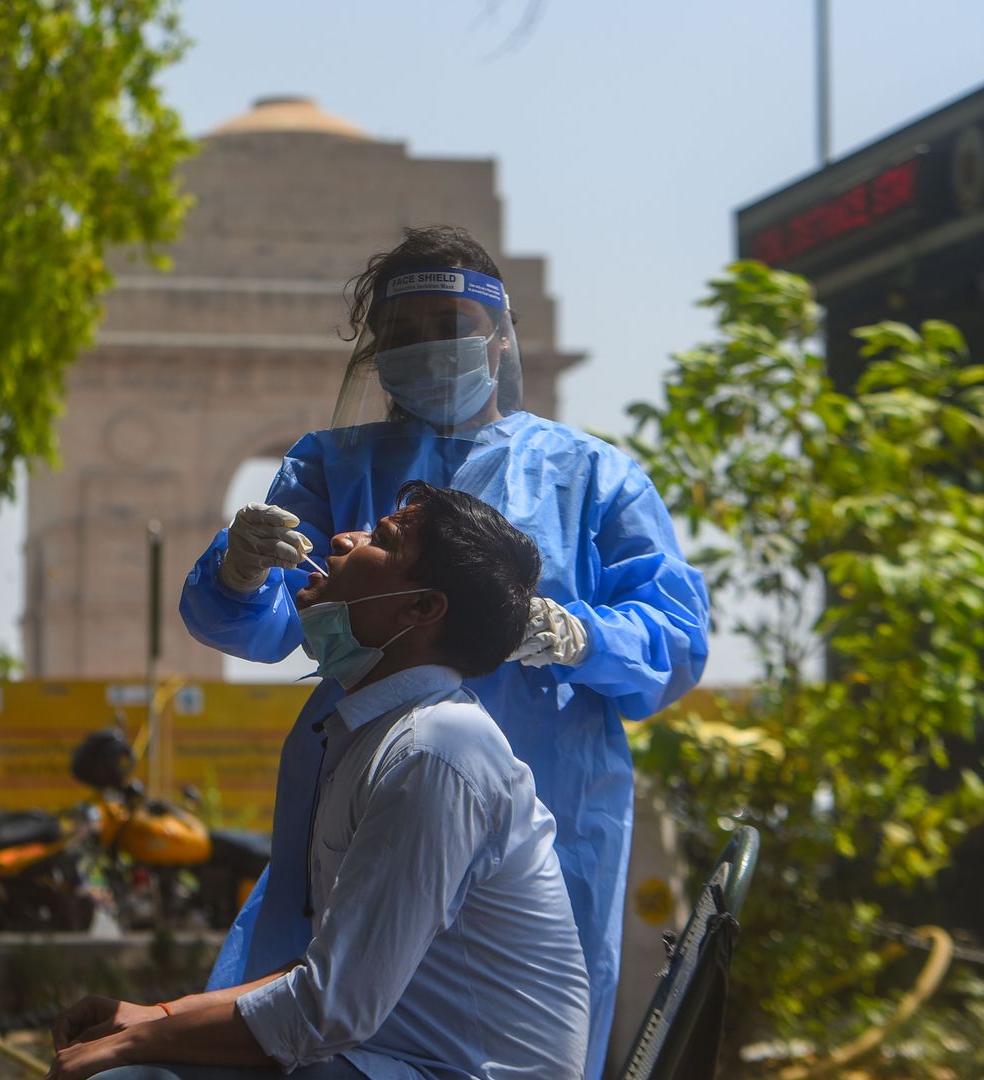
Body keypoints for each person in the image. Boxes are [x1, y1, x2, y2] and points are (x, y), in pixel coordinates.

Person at [181, 226, 709, 1072]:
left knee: (514, 1027)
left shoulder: (595, 478)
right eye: (404, 332)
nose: (427, 347)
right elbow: (274, 619)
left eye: (448, 324)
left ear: (499, 337)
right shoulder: (328, 466)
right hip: (375, 790)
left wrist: (581, 635)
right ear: (375, 351)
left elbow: (677, 643)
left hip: (551, 810)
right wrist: (237, 572)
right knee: (331, 1020)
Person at [51, 482, 591, 1080]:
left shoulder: (436, 755)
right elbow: (335, 974)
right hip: (383, 1057)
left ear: (420, 608)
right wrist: (153, 1016)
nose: (341, 537)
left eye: (381, 540)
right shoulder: (370, 735)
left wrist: (133, 1047)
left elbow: (328, 1008)